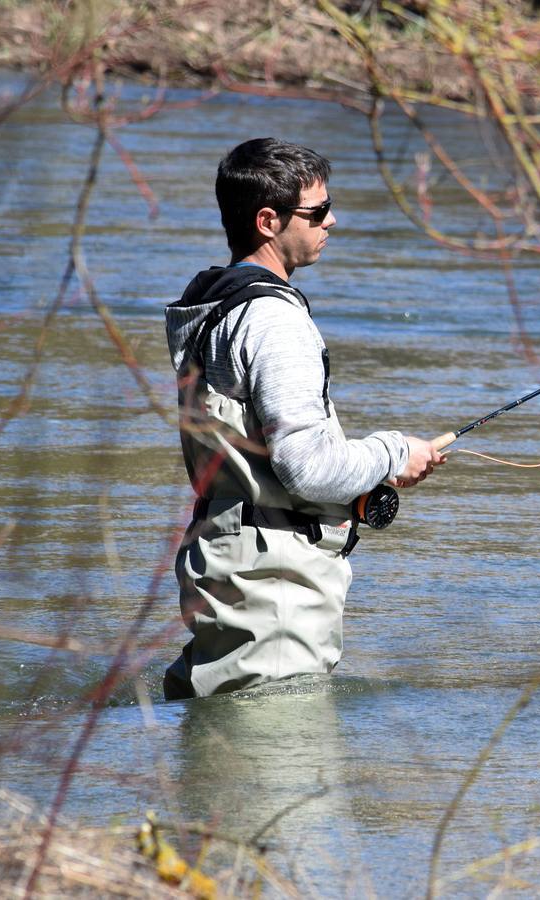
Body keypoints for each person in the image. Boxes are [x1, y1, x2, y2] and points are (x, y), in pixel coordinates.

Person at [161, 138, 445, 700]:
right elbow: (307, 467)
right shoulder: (274, 322)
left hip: (228, 570)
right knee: (281, 778)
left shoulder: (218, 310)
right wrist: (392, 452)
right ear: (268, 221)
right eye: (316, 212)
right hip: (276, 594)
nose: (331, 220)